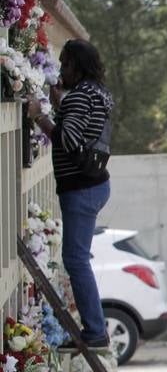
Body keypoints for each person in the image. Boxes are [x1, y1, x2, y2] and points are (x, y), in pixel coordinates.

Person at [24, 39, 114, 351]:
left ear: (78, 65)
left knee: (76, 259)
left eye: (66, 64)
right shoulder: (97, 93)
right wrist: (62, 104)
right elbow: (82, 129)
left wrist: (39, 115)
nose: (62, 69)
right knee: (78, 258)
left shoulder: (79, 96)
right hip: (95, 183)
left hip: (81, 188)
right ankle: (95, 328)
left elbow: (68, 141)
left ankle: (95, 332)